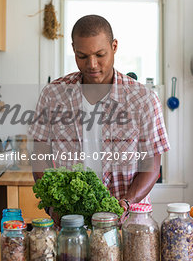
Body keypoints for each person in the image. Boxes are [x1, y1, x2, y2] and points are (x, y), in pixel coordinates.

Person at [29, 14, 170, 222]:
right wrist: (52, 205)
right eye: (82, 56)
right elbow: (39, 155)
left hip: (130, 220)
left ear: (114, 46)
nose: (92, 64)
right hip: (71, 221)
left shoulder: (143, 99)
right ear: (74, 50)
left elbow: (151, 165)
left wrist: (126, 203)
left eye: (100, 54)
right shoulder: (53, 95)